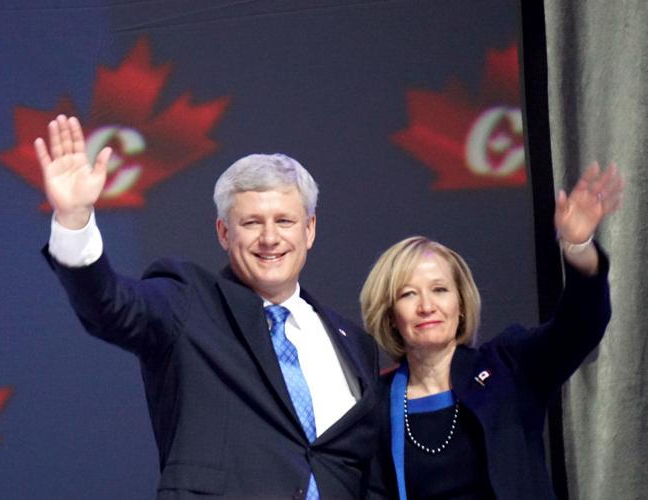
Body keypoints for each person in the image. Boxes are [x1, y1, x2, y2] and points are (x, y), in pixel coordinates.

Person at [35, 115, 384, 500]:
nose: (270, 238)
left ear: (310, 229)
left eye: (284, 220)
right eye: (251, 222)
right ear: (223, 233)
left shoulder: (354, 344)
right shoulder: (187, 303)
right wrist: (74, 219)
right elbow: (111, 306)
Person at [360, 163, 624, 500]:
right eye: (408, 294)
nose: (427, 306)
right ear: (390, 315)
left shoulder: (510, 367)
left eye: (440, 290)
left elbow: (580, 327)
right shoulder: (375, 403)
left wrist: (578, 247)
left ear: (462, 304)